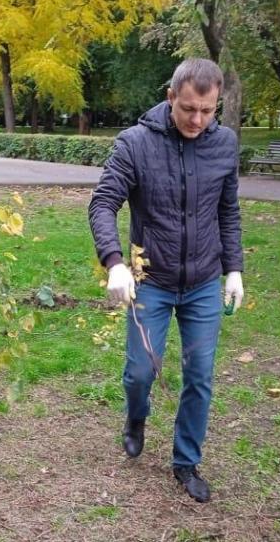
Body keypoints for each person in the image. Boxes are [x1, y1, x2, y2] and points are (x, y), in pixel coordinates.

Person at [88, 58, 244, 503]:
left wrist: (234, 269)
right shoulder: (135, 144)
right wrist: (114, 262)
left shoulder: (224, 145)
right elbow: (103, 203)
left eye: (208, 111)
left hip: (203, 281)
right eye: (189, 108)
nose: (197, 120)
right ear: (171, 96)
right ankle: (136, 416)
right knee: (140, 372)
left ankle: (186, 461)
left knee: (200, 374)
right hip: (150, 280)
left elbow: (228, 211)